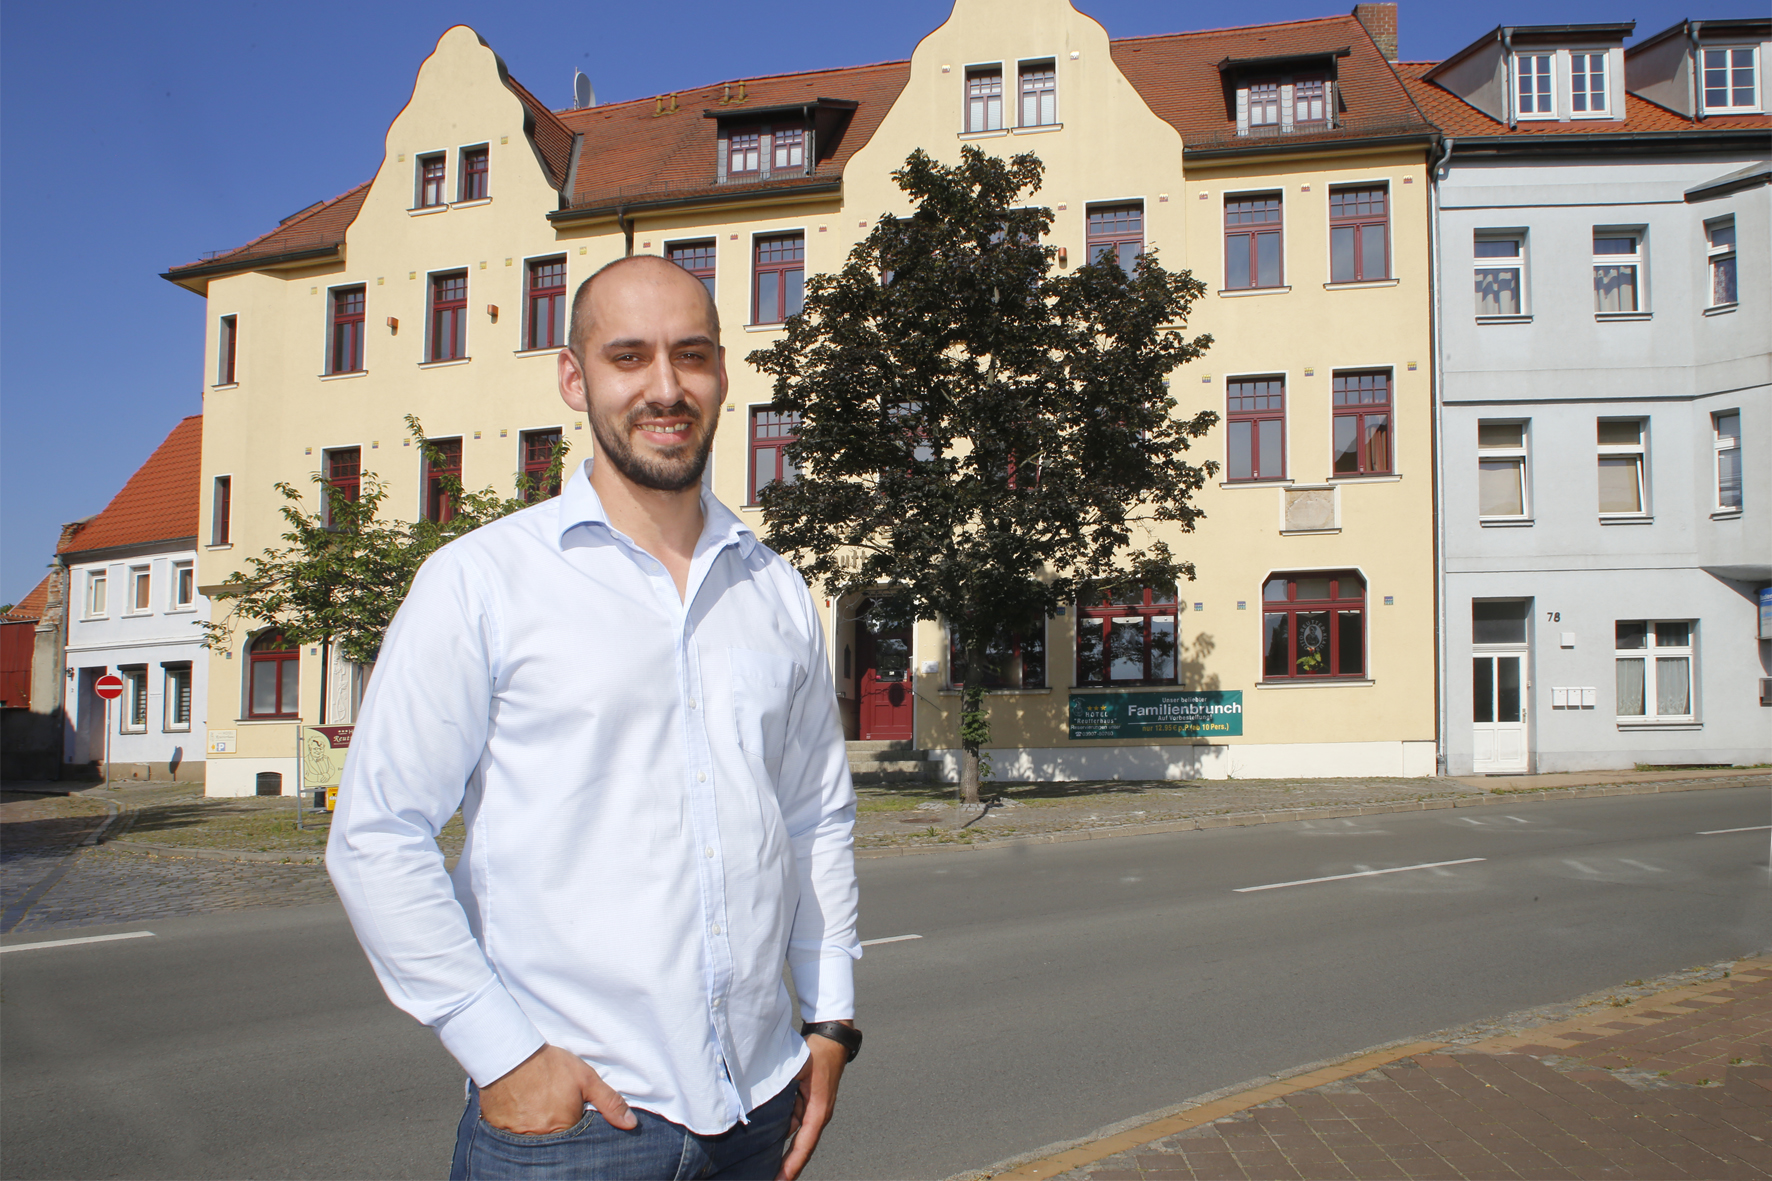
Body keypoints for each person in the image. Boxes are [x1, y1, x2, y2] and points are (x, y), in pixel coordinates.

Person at [326, 254, 862, 1180]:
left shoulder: (774, 590)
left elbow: (816, 817)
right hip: (574, 1126)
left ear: (724, 373)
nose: (666, 387)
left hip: (761, 1101)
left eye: (691, 356)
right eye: (629, 357)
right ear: (575, 379)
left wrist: (831, 1019)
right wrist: (502, 1054)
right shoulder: (481, 582)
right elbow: (377, 834)